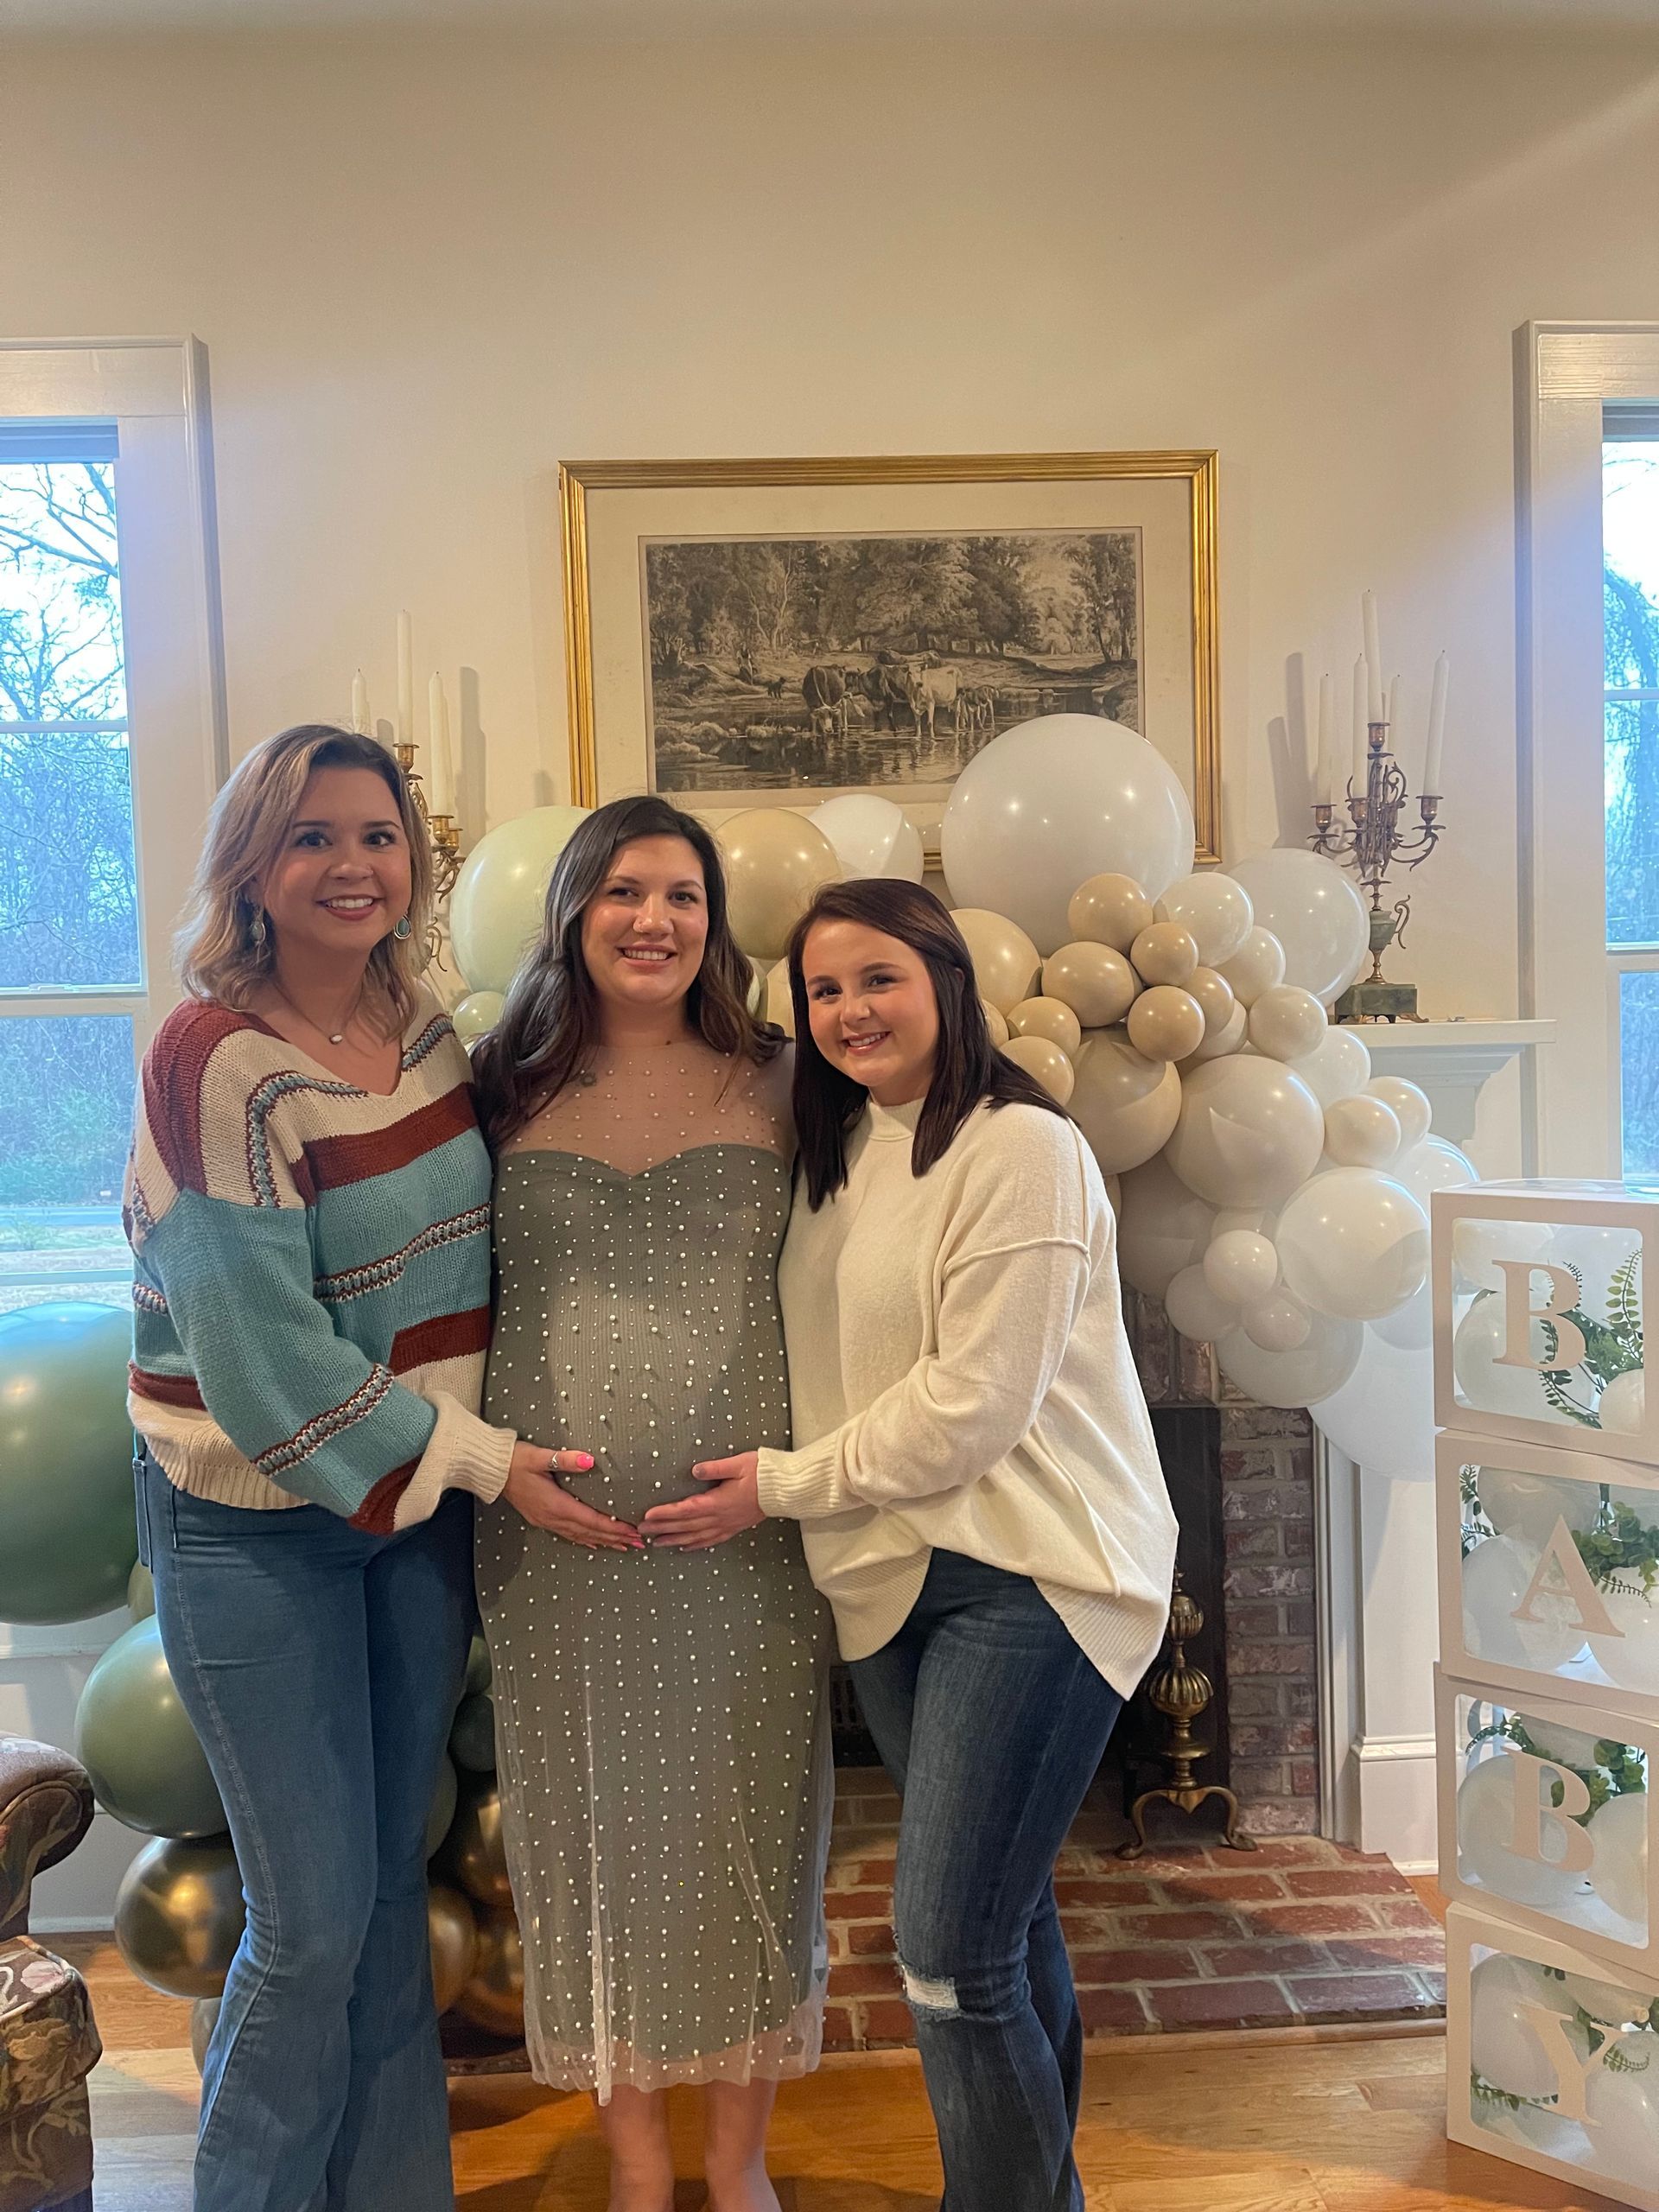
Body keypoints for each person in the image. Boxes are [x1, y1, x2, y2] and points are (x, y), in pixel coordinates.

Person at [643, 876, 1178, 2212]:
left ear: (946, 979)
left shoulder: (1021, 1149)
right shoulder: (839, 1150)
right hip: (886, 1578)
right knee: (1006, 1925)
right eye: (822, 989)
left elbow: (967, 1413)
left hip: (1036, 1572)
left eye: (877, 977)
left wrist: (775, 1486)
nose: (848, 1010)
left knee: (946, 1952)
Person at [125, 723, 590, 2212]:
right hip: (255, 1528)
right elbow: (265, 1377)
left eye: (378, 836)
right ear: (253, 865)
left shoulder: (429, 1027)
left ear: (415, 859)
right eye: (314, 836)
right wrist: (486, 1458)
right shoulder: (212, 1064)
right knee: (313, 1923)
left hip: (413, 1517)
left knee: (392, 1903)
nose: (351, 864)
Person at [469, 795, 834, 2212]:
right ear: (574, 908)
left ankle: (737, 2173)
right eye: (625, 890)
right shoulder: (496, 1082)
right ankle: (635, 2174)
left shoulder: (789, 1081)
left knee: (748, 1833)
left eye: (684, 895)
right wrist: (491, 1466)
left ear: (715, 922)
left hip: (747, 1540)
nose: (655, 920)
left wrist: (791, 1483)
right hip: (552, 1544)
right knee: (592, 1843)